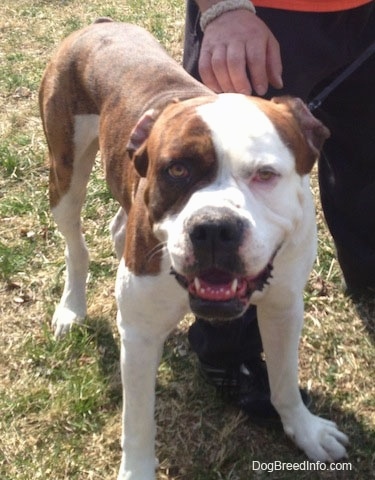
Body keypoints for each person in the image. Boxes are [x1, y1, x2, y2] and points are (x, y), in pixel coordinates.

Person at [183, 0, 375, 418]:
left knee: (367, 153)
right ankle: (228, 349)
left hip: (363, 16)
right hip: (261, 15)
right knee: (227, 182)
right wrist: (223, 9)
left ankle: (368, 269)